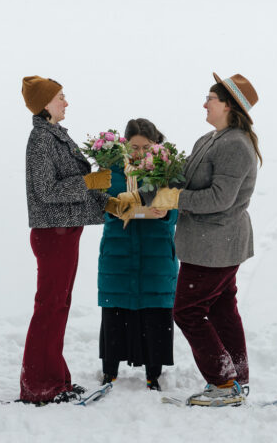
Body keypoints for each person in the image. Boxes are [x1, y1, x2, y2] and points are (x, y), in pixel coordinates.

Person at [157, 72, 262, 408]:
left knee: (187, 311)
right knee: (221, 309)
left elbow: (220, 199)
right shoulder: (210, 138)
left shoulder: (236, 145)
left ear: (229, 105)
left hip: (215, 245)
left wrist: (173, 198)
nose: (204, 103)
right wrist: (155, 168)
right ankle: (236, 379)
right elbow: (186, 176)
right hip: (208, 244)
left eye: (211, 99)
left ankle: (222, 383)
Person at [19, 75, 113, 405]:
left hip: (65, 232)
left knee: (58, 306)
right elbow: (47, 192)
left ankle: (55, 379)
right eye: (60, 96)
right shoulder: (41, 141)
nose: (66, 102)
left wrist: (107, 200)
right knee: (50, 307)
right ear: (45, 104)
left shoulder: (56, 136)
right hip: (52, 234)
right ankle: (40, 385)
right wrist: (90, 182)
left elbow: (75, 185)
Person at [98, 118, 178, 391]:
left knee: (154, 312)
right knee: (115, 310)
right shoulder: (112, 170)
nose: (139, 152)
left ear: (156, 146)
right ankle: (110, 370)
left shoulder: (166, 170)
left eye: (146, 147)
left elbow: (175, 208)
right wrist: (118, 208)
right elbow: (102, 205)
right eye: (134, 146)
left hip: (155, 252)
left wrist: (166, 213)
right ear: (125, 144)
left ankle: (153, 373)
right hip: (119, 251)